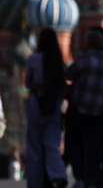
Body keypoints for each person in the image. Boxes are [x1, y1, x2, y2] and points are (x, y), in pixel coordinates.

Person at [67, 28, 103, 188]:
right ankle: (92, 179)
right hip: (102, 114)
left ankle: (81, 178)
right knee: (93, 148)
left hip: (82, 111)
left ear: (89, 44)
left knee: (74, 144)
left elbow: (69, 73)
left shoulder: (85, 59)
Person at [24, 28, 68, 188]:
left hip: (37, 102)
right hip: (54, 104)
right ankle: (57, 174)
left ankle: (35, 181)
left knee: (35, 145)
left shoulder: (33, 59)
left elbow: (27, 83)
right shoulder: (58, 61)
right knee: (52, 143)